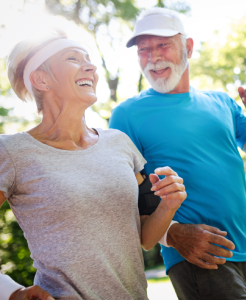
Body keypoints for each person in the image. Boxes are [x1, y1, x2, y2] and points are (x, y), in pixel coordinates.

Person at [109, 7, 246, 300]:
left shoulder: (221, 103)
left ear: (188, 48)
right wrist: (175, 235)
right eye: (144, 50)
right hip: (198, 256)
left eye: (163, 45)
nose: (153, 57)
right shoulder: (126, 115)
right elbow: (124, 203)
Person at [0, 29, 186, 300]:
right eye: (73, 58)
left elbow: (145, 238)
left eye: (88, 58)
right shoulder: (11, 151)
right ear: (41, 79)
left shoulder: (119, 143)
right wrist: (12, 292)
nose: (91, 66)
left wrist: (169, 205)